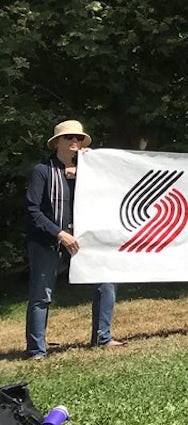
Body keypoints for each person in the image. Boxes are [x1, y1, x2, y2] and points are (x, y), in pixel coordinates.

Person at [25, 120, 123, 358]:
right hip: (47, 240)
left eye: (78, 138)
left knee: (106, 282)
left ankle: (102, 337)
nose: (74, 141)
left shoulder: (87, 171)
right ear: (57, 142)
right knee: (42, 294)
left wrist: (94, 162)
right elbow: (32, 210)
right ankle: (36, 350)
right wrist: (59, 233)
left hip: (83, 238)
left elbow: (110, 188)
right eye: (69, 137)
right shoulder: (43, 170)